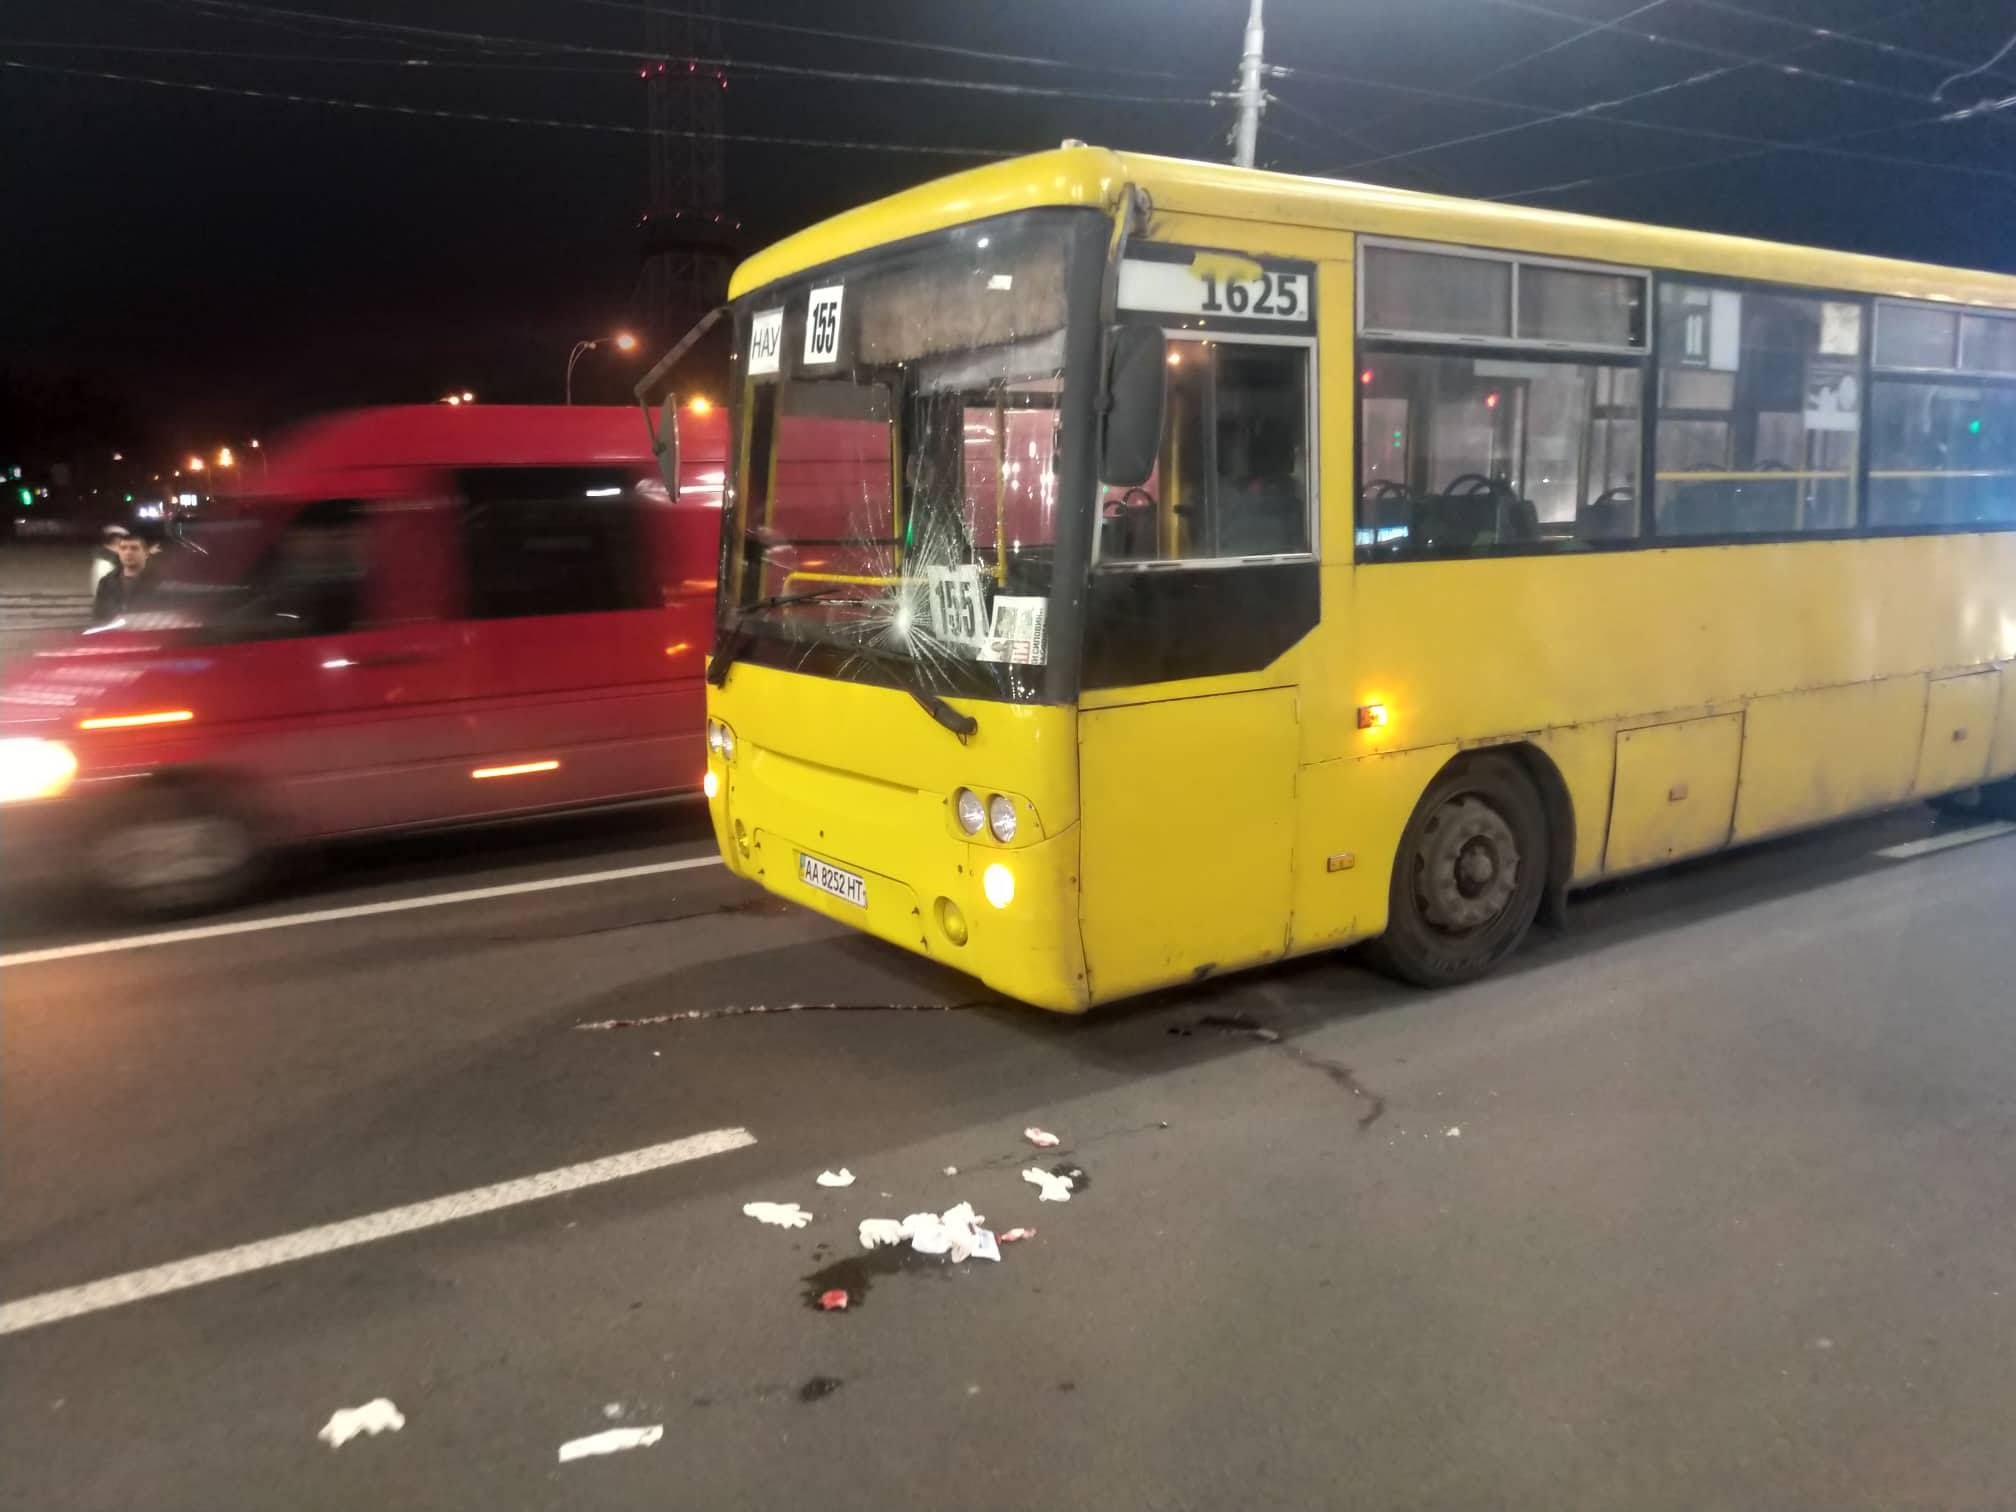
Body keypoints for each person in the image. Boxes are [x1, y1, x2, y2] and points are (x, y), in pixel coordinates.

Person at [92, 531, 154, 624]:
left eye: (134, 548)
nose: (128, 552)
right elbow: (99, 615)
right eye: (123, 548)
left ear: (146, 553)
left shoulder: (158, 581)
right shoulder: (106, 582)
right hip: (116, 635)